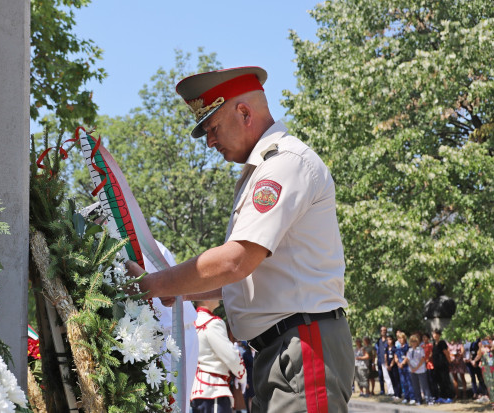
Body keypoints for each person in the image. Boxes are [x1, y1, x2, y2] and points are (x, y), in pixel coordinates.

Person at [125, 66, 353, 412]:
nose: (210, 142)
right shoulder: (262, 169)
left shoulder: (283, 164)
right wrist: (180, 290)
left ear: (244, 112)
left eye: (212, 128)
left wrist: (153, 284)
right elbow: (253, 276)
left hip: (301, 345)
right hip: (285, 346)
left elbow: (236, 261)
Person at [142, 240, 199, 411]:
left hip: (170, 334)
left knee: (172, 406)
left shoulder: (140, 242)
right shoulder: (145, 240)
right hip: (173, 331)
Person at [190, 299, 246, 413]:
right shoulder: (213, 322)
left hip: (196, 389)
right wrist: (242, 375)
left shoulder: (189, 323)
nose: (219, 298)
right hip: (214, 389)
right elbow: (230, 355)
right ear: (207, 300)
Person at [407, 333, 432, 405]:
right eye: (412, 341)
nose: (413, 343)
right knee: (415, 386)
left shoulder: (420, 349)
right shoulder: (410, 350)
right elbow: (408, 359)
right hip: (412, 370)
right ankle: (418, 399)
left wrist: (417, 367)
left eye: (415, 341)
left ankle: (428, 399)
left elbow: (422, 359)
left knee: (424, 386)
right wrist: (411, 368)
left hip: (420, 370)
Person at [432, 329, 455, 401]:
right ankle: (442, 396)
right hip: (436, 366)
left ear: (439, 335)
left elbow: (446, 353)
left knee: (445, 380)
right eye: (434, 334)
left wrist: (449, 362)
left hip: (443, 365)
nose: (435, 335)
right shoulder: (433, 343)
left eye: (436, 334)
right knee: (440, 381)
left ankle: (449, 396)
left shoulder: (442, 343)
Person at [472, 336, 494, 407]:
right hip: (486, 369)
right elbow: (478, 355)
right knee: (489, 385)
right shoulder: (482, 349)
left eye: (488, 339)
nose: (487, 341)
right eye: (485, 340)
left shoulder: (492, 346)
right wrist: (480, 347)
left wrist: (490, 346)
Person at [395, 332, 415, 404]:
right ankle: (406, 397)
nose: (400, 340)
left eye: (401, 338)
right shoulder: (398, 348)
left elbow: (407, 356)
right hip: (400, 367)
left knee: (409, 382)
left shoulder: (408, 347)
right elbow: (396, 356)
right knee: (403, 382)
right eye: (399, 338)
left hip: (406, 367)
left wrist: (403, 363)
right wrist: (398, 363)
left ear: (404, 338)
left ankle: (412, 397)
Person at [386, 335, 402, 400]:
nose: (388, 341)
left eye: (390, 339)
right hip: (388, 366)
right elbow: (385, 357)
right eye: (387, 340)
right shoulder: (386, 348)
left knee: (396, 380)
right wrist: (387, 365)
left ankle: (398, 394)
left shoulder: (394, 348)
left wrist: (391, 365)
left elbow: (394, 357)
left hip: (394, 366)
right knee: (392, 380)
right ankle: (395, 393)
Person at [375, 326, 389, 395]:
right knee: (380, 376)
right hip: (380, 360)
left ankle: (390, 391)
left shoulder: (388, 340)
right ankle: (382, 390)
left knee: (387, 377)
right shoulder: (379, 340)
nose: (383, 332)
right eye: (382, 330)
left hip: (386, 361)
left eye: (384, 330)